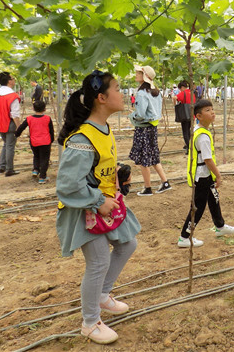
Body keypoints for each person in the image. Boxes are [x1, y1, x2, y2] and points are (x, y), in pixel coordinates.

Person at [56, 70, 141, 345]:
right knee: (99, 262)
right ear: (101, 98)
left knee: (127, 244)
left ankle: (102, 295)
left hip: (105, 203)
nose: (123, 93)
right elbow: (69, 185)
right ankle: (90, 322)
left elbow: (97, 167)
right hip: (84, 208)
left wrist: (117, 174)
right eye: (117, 88)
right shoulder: (82, 139)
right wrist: (99, 201)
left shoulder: (104, 129)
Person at [177, 99, 234, 248]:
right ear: (198, 116)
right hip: (202, 176)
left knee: (213, 199)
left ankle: (220, 226)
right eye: (207, 110)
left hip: (205, 174)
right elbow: (207, 159)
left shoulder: (200, 130)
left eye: (212, 109)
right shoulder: (203, 136)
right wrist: (218, 175)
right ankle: (184, 237)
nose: (212, 113)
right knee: (197, 207)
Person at [129, 65, 172, 196]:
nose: (136, 74)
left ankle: (147, 188)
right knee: (153, 156)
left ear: (144, 77)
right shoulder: (156, 92)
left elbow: (141, 115)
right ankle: (165, 182)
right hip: (152, 128)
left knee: (144, 159)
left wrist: (132, 115)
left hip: (143, 130)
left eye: (138, 73)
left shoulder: (142, 94)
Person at [15, 100, 54, 183]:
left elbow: (21, 127)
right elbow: (51, 131)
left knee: (36, 156)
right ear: (45, 109)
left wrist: (17, 134)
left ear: (33, 108)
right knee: (45, 159)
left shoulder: (29, 118)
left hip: (34, 142)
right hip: (45, 142)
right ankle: (42, 177)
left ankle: (35, 170)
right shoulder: (48, 118)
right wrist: (52, 140)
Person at [0, 72, 21, 176]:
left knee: (6, 144)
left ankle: (2, 166)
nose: (14, 80)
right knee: (10, 146)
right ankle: (9, 169)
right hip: (9, 123)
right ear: (9, 81)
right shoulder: (13, 96)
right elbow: (15, 114)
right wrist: (19, 127)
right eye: (13, 78)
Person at [172, 80, 194, 151]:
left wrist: (175, 105)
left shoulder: (183, 93)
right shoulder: (191, 93)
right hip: (192, 114)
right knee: (189, 130)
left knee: (185, 132)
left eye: (180, 89)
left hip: (185, 114)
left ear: (182, 87)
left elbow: (174, 97)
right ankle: (189, 145)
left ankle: (189, 148)